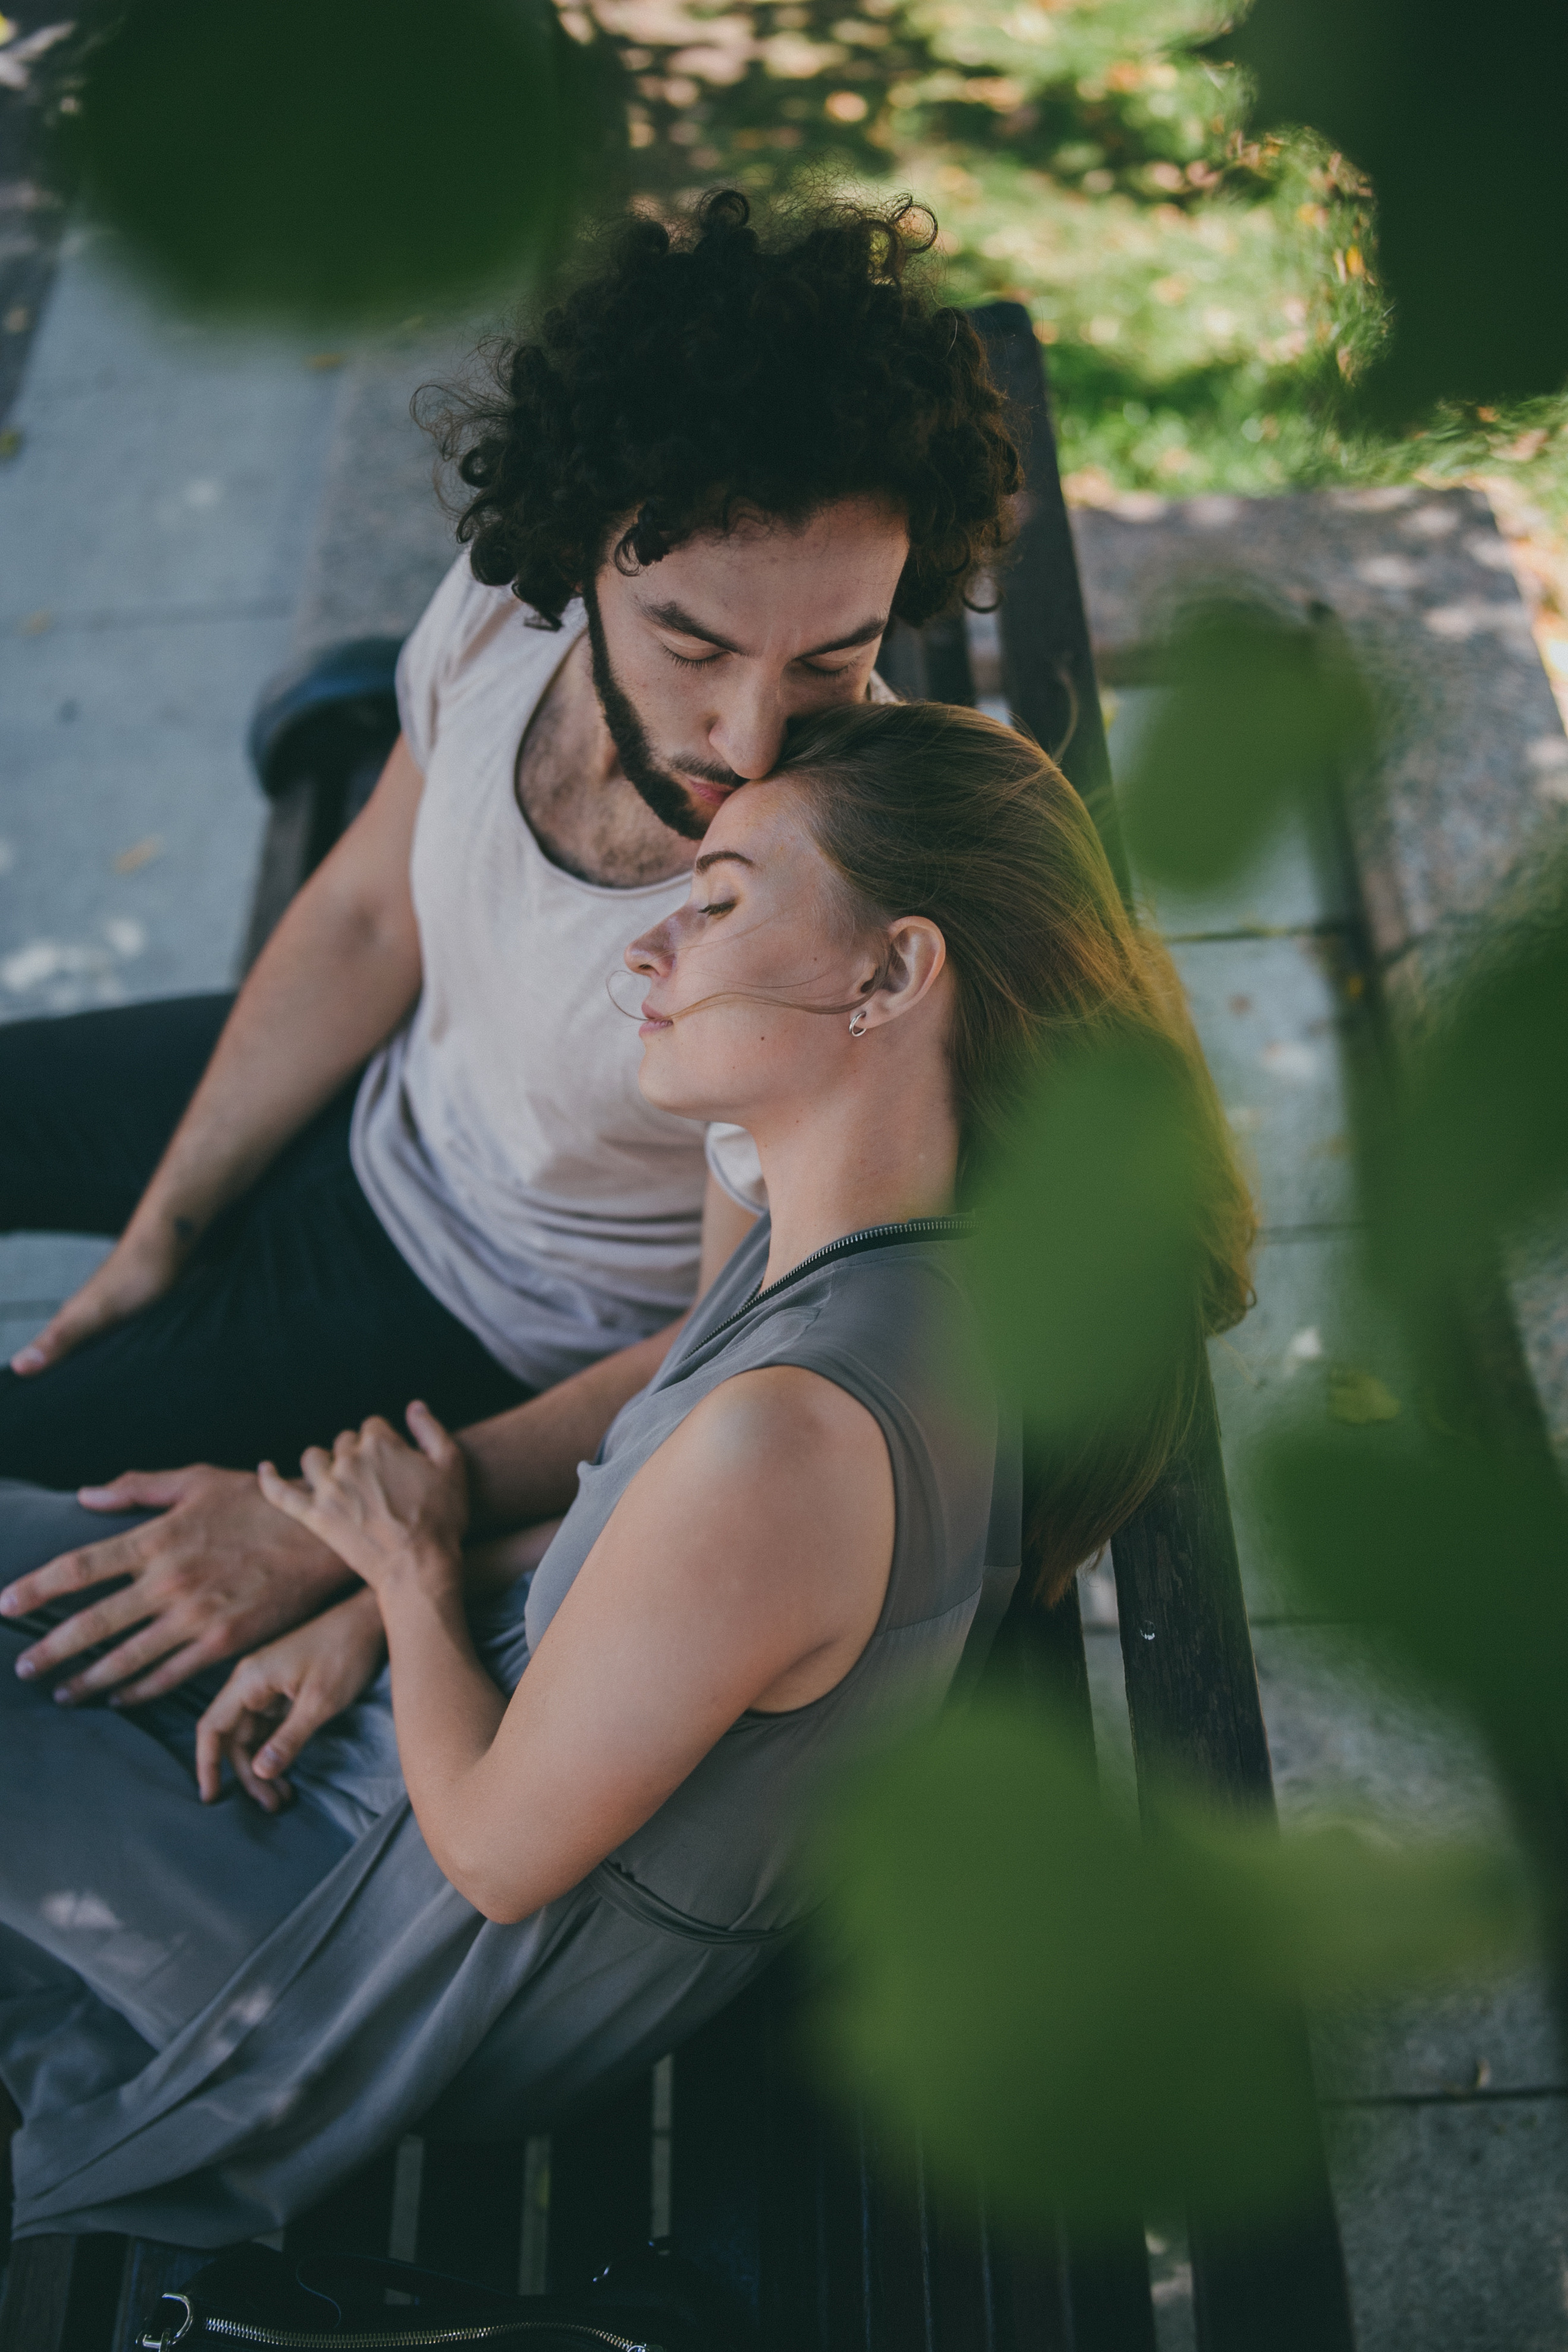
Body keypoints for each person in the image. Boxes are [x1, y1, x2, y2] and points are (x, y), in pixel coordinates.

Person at [0, 700, 1253, 2247]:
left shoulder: (794, 1437)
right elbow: (649, 1580)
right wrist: (389, 1596)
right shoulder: (897, 1263)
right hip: (409, 1801)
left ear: (892, 973)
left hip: (381, 1961)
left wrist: (396, 1571)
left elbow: (501, 1859)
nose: (647, 950)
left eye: (717, 900)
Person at [0, 189, 1022, 1711]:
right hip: (386, 1095)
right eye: (690, 645)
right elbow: (362, 918)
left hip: (479, 1313)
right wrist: (169, 1221)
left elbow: (723, 1341)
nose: (749, 739)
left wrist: (343, 1531)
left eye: (832, 660)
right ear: (583, 545)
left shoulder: (814, 899)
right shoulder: (504, 610)